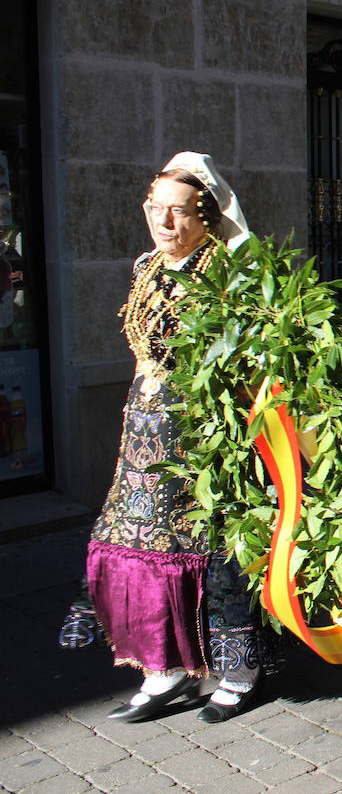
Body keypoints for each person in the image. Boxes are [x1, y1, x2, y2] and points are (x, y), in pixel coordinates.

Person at [60, 152, 264, 724]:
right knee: (145, 547)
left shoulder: (228, 273)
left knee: (216, 550)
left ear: (206, 217)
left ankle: (239, 669)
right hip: (146, 429)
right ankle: (163, 665)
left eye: (179, 212)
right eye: (156, 209)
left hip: (205, 432)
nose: (164, 222)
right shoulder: (145, 267)